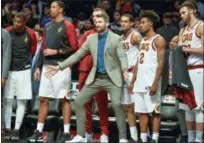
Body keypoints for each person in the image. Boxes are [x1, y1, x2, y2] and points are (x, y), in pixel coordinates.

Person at [45, 13, 128, 143]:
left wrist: (124, 69)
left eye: (100, 22)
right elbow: (77, 55)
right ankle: (81, 135)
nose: (97, 24)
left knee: (117, 104)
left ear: (106, 24)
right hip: (96, 78)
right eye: (96, 22)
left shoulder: (116, 38)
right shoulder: (91, 38)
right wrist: (59, 67)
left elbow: (122, 56)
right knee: (78, 101)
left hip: (112, 78)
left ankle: (123, 138)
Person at [27, 1, 78, 142]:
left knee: (65, 99)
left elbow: (74, 48)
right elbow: (43, 49)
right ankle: (38, 130)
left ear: (61, 9)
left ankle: (67, 132)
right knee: (43, 98)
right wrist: (38, 66)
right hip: (46, 67)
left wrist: (56, 51)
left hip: (62, 67)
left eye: (54, 7)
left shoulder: (68, 25)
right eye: (51, 7)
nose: (51, 9)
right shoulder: (47, 26)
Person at [129, 10, 166, 143]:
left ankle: (155, 138)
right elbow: (139, 62)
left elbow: (161, 63)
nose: (140, 25)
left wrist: (156, 82)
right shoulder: (143, 40)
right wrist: (133, 80)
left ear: (150, 24)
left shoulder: (159, 39)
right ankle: (143, 138)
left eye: (143, 22)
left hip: (151, 80)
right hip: (139, 80)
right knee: (142, 112)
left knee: (155, 111)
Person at [4, 12, 37, 141]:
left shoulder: (31, 33)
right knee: (7, 100)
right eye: (14, 22)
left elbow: (33, 51)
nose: (16, 24)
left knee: (21, 100)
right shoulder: (7, 32)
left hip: (24, 71)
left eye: (19, 22)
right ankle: (7, 128)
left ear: (24, 22)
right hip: (9, 71)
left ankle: (16, 130)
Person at [78, 8, 109, 142]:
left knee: (102, 104)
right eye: (94, 16)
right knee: (85, 104)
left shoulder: (110, 34)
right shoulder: (87, 34)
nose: (95, 19)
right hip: (85, 71)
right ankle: (88, 133)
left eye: (98, 16)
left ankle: (104, 134)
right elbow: (81, 51)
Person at [178, 1, 204, 142]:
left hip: (198, 69)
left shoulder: (201, 26)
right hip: (185, 71)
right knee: (187, 107)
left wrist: (187, 49)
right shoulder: (183, 30)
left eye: (183, 12)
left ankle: (199, 139)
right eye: (180, 13)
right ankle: (190, 138)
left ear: (193, 11)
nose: (181, 15)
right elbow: (179, 51)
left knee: (199, 106)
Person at [161, 36, 188, 143]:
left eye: (175, 42)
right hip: (165, 85)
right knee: (155, 109)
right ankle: (153, 134)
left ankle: (184, 133)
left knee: (181, 110)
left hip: (179, 85)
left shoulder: (184, 55)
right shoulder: (164, 53)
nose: (172, 43)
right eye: (171, 41)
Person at [120, 13, 142, 142]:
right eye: (121, 21)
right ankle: (133, 137)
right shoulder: (120, 38)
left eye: (126, 21)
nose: (123, 24)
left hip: (135, 73)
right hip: (124, 74)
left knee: (139, 107)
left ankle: (145, 135)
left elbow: (145, 52)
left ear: (132, 23)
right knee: (128, 107)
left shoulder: (135, 35)